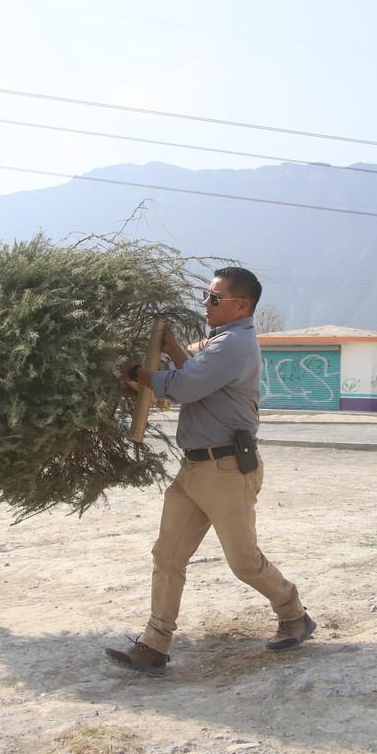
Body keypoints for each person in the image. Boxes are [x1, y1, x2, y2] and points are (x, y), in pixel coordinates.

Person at [106, 267, 315, 675]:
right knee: (167, 556)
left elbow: (182, 388)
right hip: (194, 470)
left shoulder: (235, 345)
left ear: (241, 305)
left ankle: (294, 614)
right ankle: (154, 644)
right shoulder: (223, 344)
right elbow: (195, 379)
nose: (206, 303)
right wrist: (171, 348)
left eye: (214, 298)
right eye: (206, 296)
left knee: (244, 563)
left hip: (226, 472)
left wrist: (137, 374)